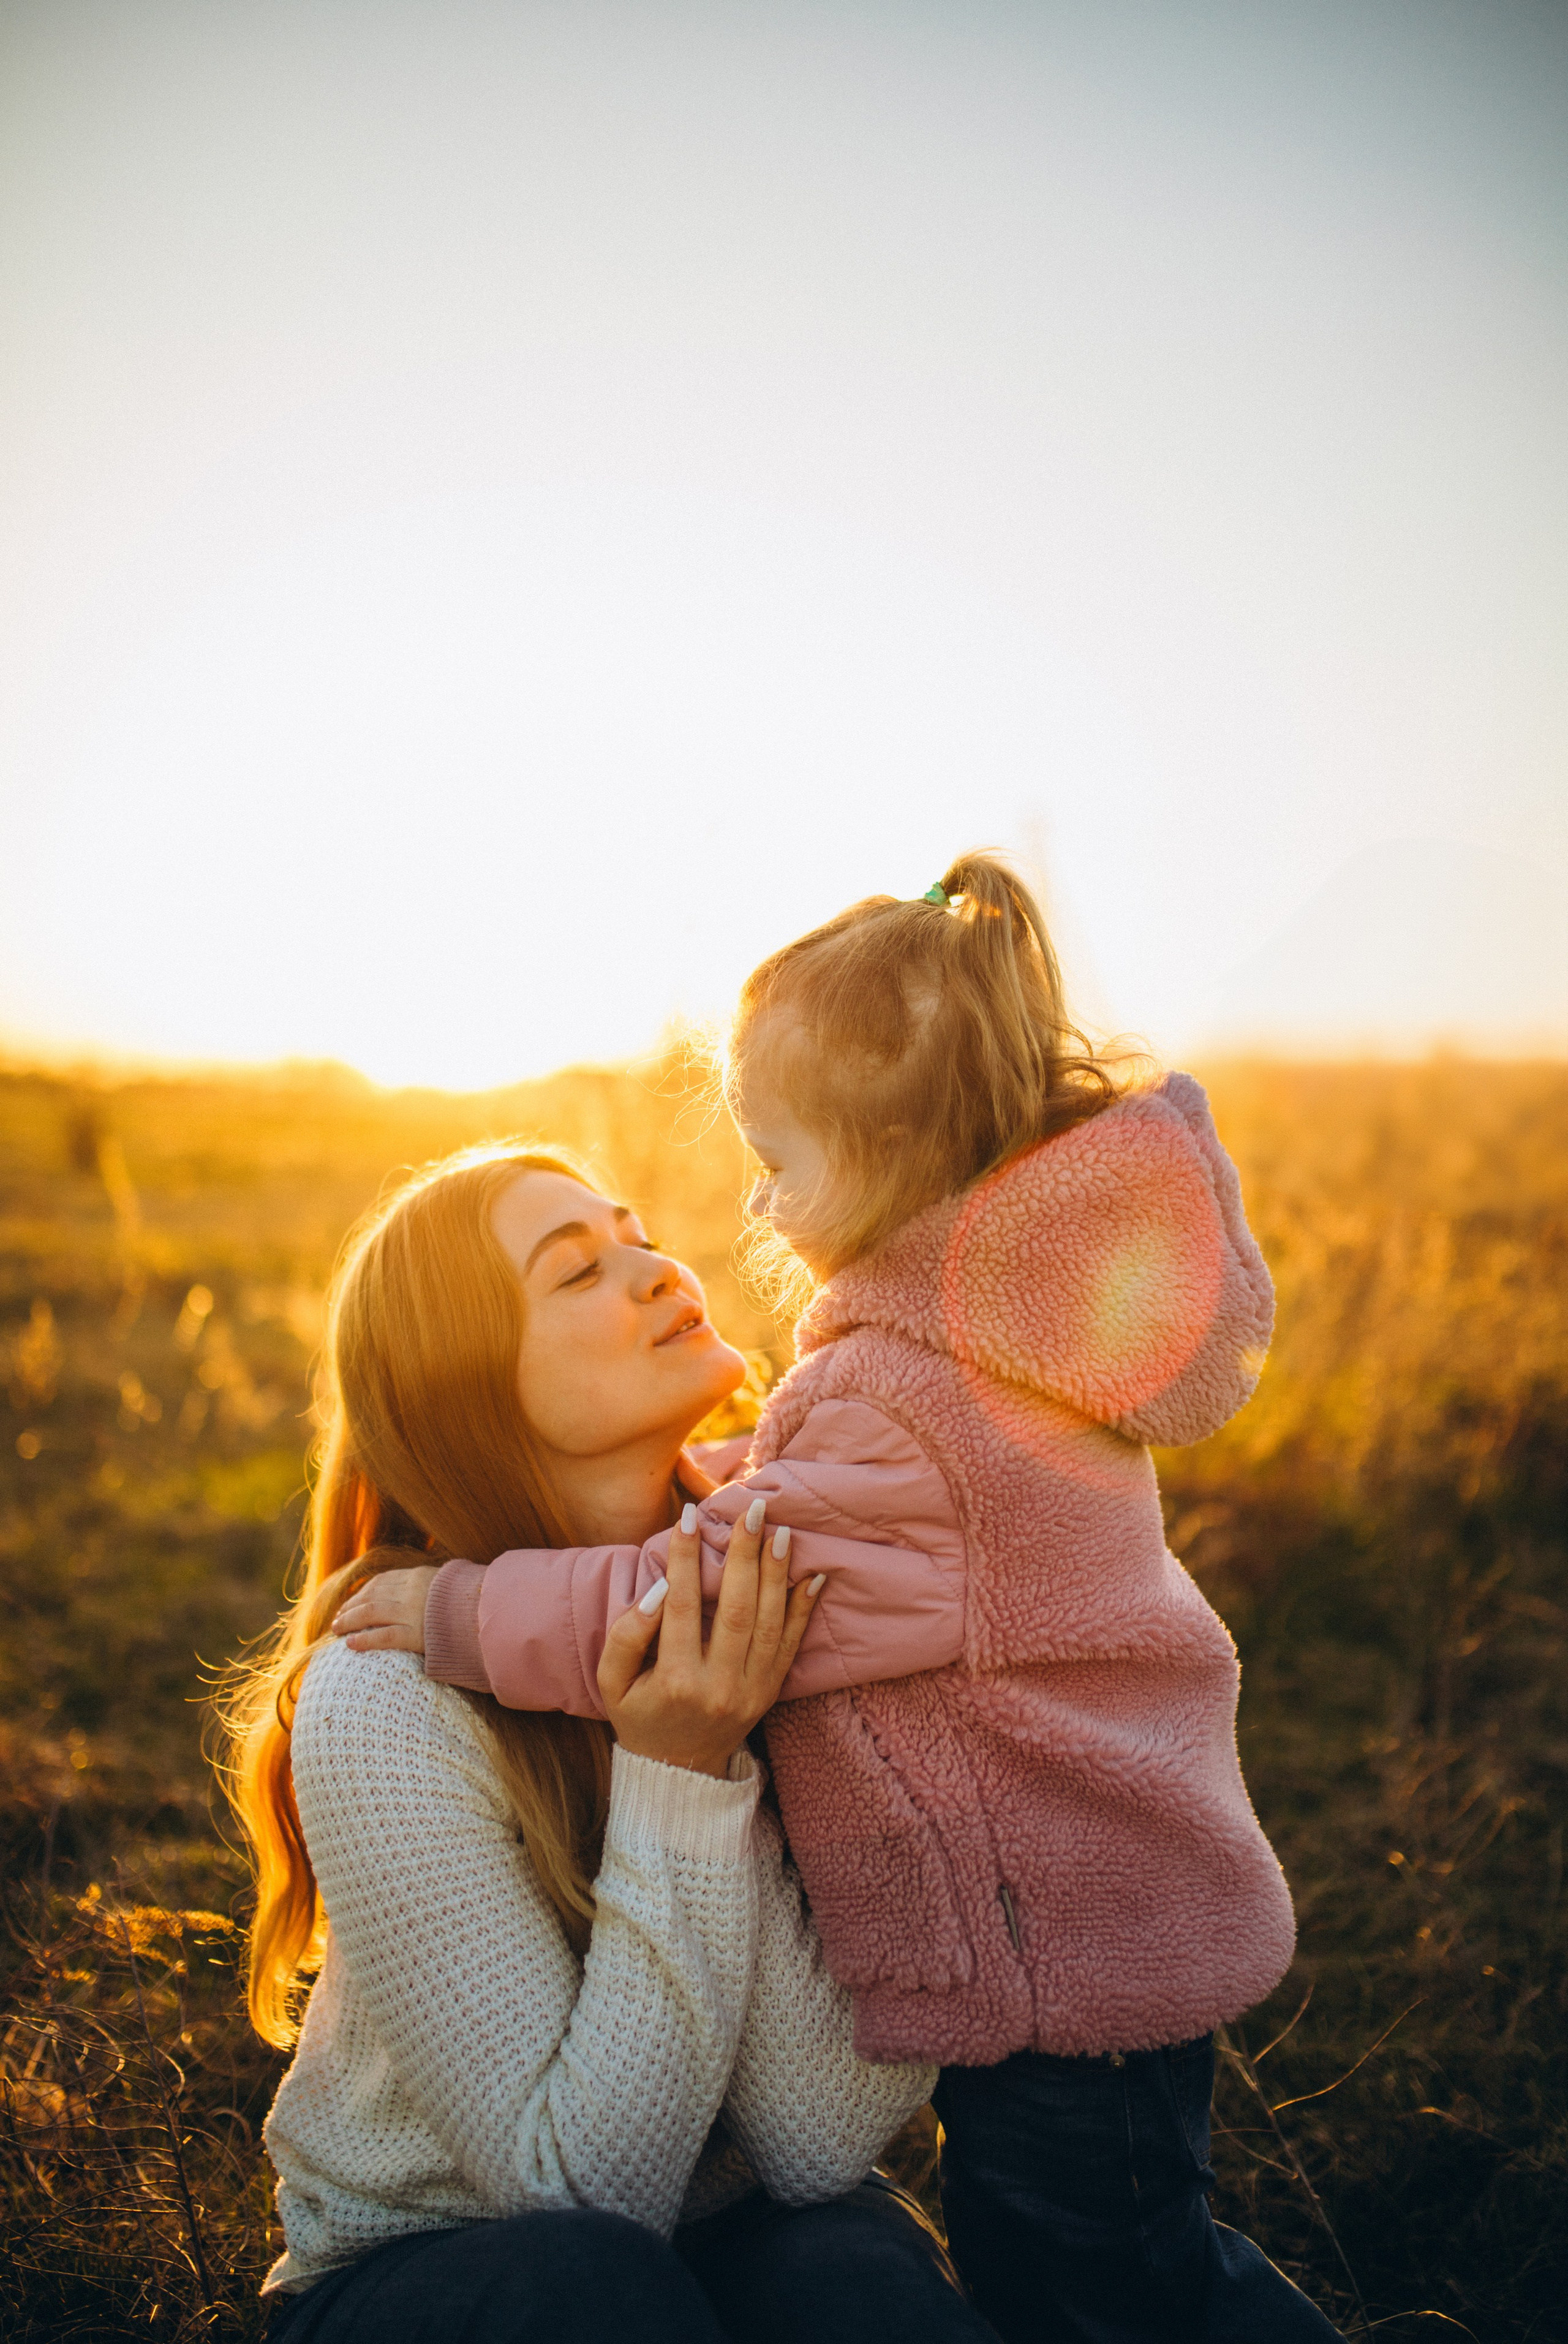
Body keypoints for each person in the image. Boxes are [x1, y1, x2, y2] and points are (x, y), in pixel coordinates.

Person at [341, 854, 1346, 2343]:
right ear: (463, 1384)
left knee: (1105, 2299)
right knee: (1119, 2279)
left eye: (772, 1165)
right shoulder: (966, 1366)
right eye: (579, 1269)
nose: (691, 1244)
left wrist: (466, 1614)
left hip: (1056, 1953)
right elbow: (808, 1511)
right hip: (1075, 1933)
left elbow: (728, 1578)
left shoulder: (892, 1407)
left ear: (879, 1161)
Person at [224, 1143, 1000, 2344]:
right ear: (465, 1383)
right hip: (431, 2256)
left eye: (634, 1233)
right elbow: (573, 2194)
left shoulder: (785, 1583)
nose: (650, 1267)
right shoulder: (388, 1690)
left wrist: (732, 1724)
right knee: (586, 2289)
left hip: (730, 2213)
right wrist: (679, 1774)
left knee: (853, 2268)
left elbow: (815, 2139)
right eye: (577, 1268)